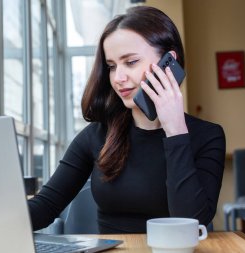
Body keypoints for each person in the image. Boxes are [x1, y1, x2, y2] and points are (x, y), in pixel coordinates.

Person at [28, 6, 226, 234]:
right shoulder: (96, 135)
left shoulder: (208, 136)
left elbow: (193, 224)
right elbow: (46, 205)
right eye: (112, 66)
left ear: (169, 62)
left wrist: (175, 131)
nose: (118, 78)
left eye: (130, 62)